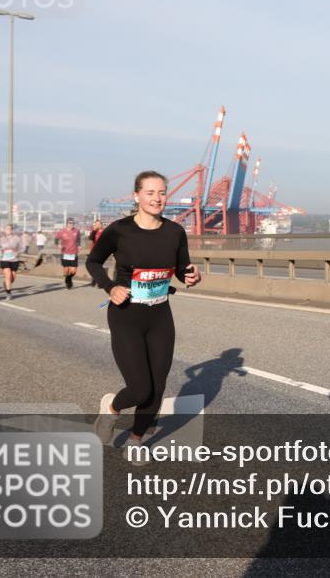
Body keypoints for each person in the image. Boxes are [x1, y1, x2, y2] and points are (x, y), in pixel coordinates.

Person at [87, 171, 201, 463]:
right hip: (126, 315)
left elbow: (181, 269)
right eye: (150, 192)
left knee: (158, 385)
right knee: (140, 388)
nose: (157, 198)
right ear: (137, 195)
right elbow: (93, 261)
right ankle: (111, 409)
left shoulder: (175, 232)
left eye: (162, 192)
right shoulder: (120, 230)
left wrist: (191, 276)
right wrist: (110, 288)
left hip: (160, 314)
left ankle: (136, 440)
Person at [0, 224, 23, 300]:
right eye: (7, 229)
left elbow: (22, 247)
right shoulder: (1, 239)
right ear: (4, 230)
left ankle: (6, 283)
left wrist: (17, 252)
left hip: (14, 259)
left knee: (13, 277)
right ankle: (8, 293)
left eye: (10, 229)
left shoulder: (17, 238)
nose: (8, 230)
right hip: (4, 259)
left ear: (12, 230)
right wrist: (0, 255)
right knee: (8, 275)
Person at [55, 218, 82, 289]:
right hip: (65, 252)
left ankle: (68, 279)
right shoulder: (61, 231)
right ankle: (68, 281)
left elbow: (78, 239)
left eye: (73, 223)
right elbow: (56, 239)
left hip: (74, 252)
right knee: (66, 270)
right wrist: (58, 245)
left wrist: (79, 246)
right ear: (67, 223)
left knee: (74, 271)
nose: (71, 224)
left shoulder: (77, 231)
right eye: (70, 223)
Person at [87, 220, 105, 287]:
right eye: (96, 224)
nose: (97, 225)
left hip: (101, 252)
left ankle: (99, 282)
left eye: (98, 224)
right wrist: (94, 230)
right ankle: (94, 280)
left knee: (99, 267)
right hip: (93, 252)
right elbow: (90, 238)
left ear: (101, 225)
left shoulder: (104, 232)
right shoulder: (94, 232)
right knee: (94, 267)